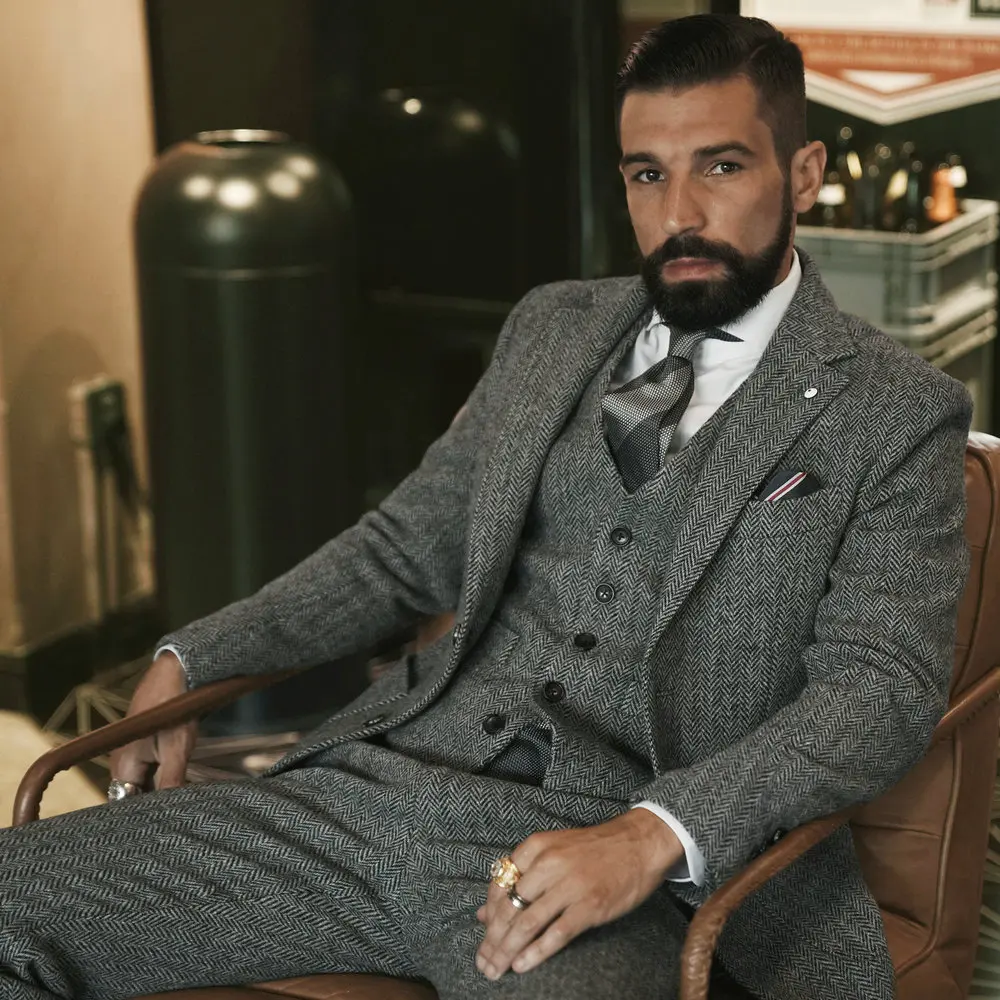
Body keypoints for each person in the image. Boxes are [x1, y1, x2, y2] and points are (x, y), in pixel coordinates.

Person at [0, 14, 971, 1000]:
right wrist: (193, 656)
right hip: (377, 789)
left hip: (610, 856)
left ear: (803, 176)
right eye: (646, 174)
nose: (679, 211)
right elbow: (399, 550)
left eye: (720, 166)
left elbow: (878, 688)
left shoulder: (894, 411)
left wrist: (650, 836)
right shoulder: (553, 327)